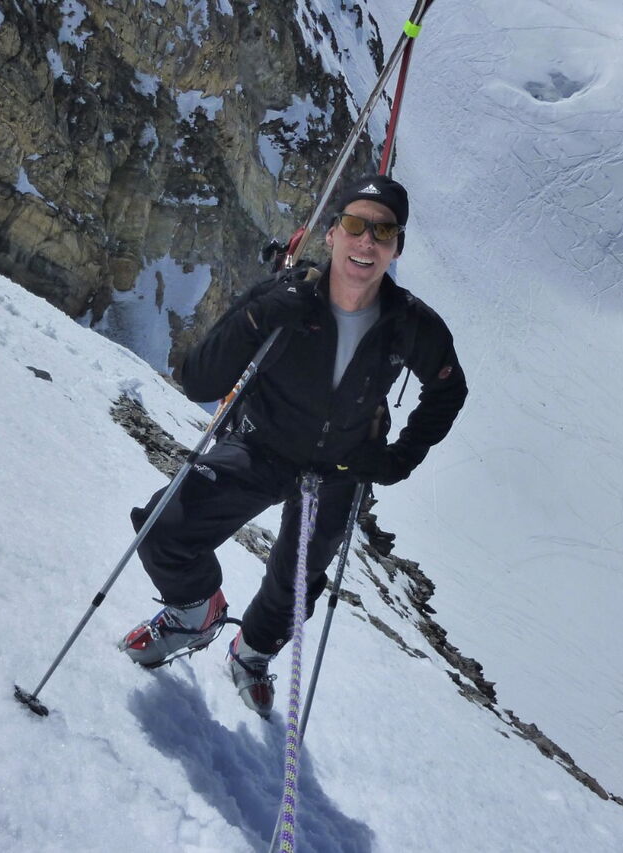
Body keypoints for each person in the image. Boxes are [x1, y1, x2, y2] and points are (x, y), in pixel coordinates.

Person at [118, 174, 468, 717]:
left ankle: (253, 653)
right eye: (355, 224)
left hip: (340, 467)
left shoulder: (410, 324)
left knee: (297, 584)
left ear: (397, 247)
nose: (367, 240)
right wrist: (258, 315)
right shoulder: (287, 296)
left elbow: (448, 389)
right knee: (164, 528)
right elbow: (200, 381)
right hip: (261, 446)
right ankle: (193, 613)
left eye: (383, 231)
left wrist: (398, 459)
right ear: (332, 234)